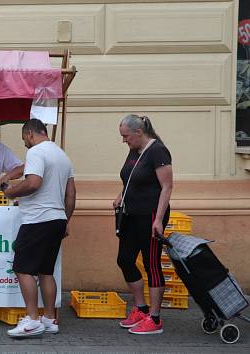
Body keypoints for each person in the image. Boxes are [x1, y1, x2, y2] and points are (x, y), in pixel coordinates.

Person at [2, 119, 76, 337]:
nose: (25, 143)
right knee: (46, 271)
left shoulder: (36, 152)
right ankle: (50, 319)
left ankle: (33, 319)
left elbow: (33, 183)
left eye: (24, 138)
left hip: (37, 220)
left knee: (23, 268)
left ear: (29, 134)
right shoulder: (62, 155)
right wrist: (66, 219)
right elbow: (71, 194)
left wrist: (11, 191)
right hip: (57, 219)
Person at [113, 114, 172, 335]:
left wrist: (158, 219)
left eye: (126, 136)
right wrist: (121, 195)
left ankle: (155, 319)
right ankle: (141, 308)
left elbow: (166, 187)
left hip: (150, 216)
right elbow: (130, 177)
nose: (124, 140)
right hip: (130, 214)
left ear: (138, 132)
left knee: (151, 263)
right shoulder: (134, 149)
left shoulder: (158, 151)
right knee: (125, 259)